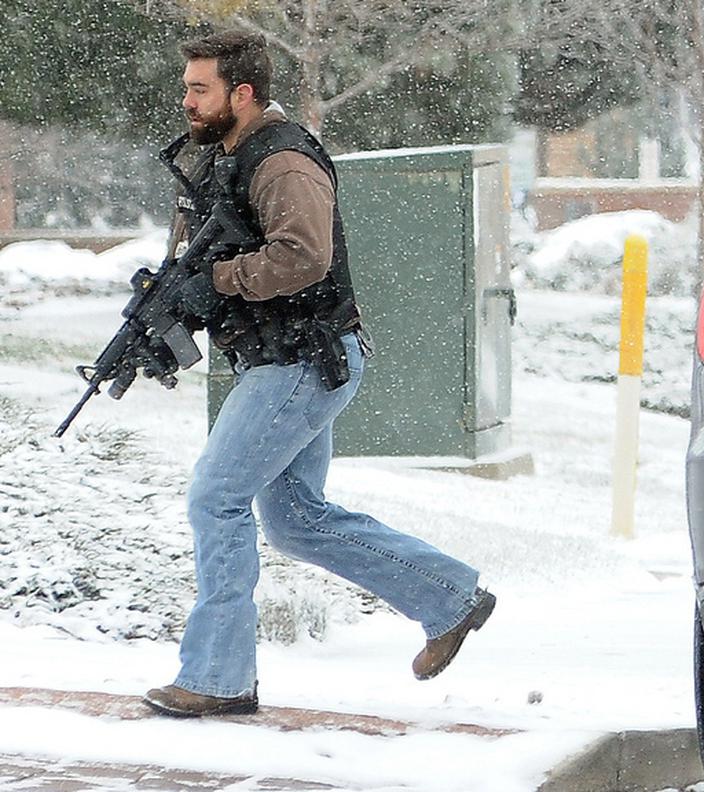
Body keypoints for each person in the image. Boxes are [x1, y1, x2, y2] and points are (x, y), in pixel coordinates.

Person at [142, 30, 495, 718]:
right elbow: (208, 259)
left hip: (303, 360)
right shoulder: (224, 158)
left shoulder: (281, 161)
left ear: (241, 93)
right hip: (285, 359)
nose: (185, 99)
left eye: (198, 87)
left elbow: (303, 256)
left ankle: (217, 677)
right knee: (296, 520)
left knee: (216, 498)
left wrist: (217, 280)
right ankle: (449, 598)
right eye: (186, 86)